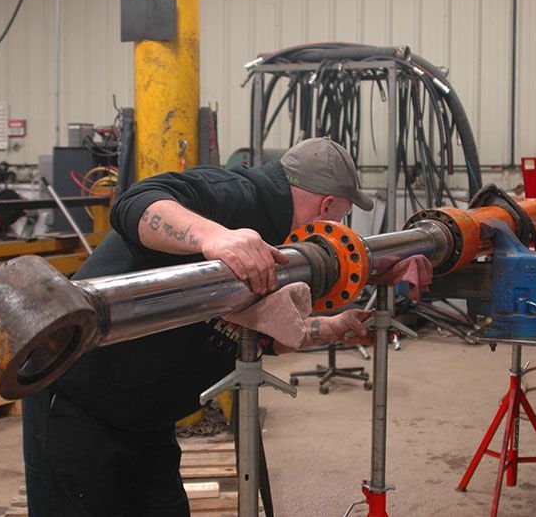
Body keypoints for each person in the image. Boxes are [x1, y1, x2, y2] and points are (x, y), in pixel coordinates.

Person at [23, 138, 380, 516]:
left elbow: (253, 334)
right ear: (326, 206)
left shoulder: (283, 247)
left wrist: (331, 327)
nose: (335, 229)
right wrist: (214, 237)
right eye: (339, 217)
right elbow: (135, 202)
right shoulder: (238, 195)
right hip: (78, 403)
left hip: (148, 417)